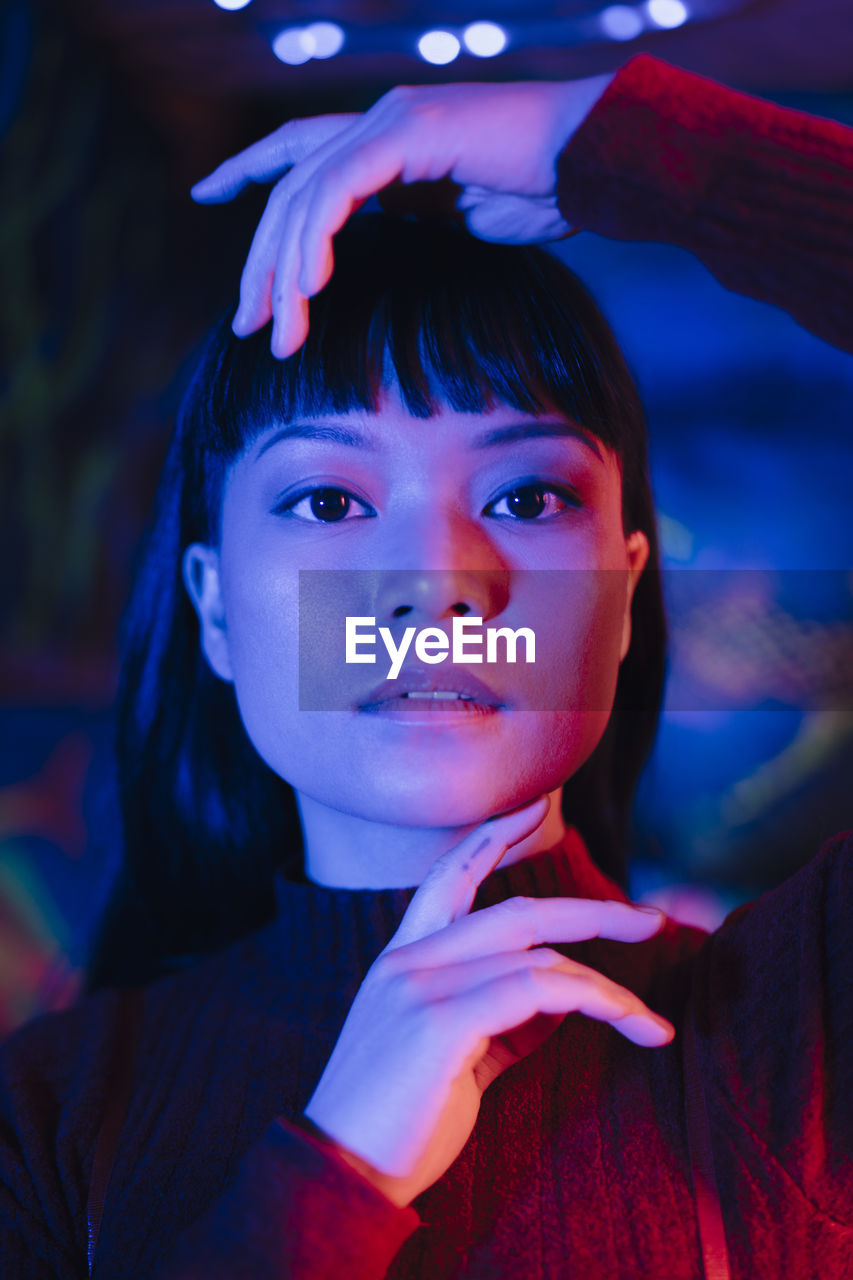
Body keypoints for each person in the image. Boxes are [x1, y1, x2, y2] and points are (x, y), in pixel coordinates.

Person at [0, 52, 850, 1280]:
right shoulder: (44, 1119)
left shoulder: (795, 1033)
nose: (439, 580)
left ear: (622, 591)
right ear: (215, 612)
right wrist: (334, 1171)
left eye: (524, 491)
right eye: (331, 500)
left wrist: (611, 144)